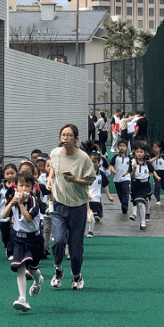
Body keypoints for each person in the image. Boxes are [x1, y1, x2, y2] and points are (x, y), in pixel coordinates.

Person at [46, 124, 96, 290]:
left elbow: (90, 180)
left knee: (75, 248)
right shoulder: (54, 153)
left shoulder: (83, 158)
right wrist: (50, 178)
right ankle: (58, 269)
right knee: (59, 240)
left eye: (69, 135)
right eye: (63, 135)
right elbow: (53, 167)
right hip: (59, 204)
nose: (65, 138)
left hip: (78, 206)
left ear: (76, 139)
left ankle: (77, 276)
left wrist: (75, 180)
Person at [1, 172, 44, 312]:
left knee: (32, 268)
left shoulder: (33, 201)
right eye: (21, 185)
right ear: (16, 187)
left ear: (32, 188)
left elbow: (29, 218)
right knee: (20, 266)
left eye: (27, 186)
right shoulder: (14, 199)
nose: (24, 188)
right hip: (19, 238)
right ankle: (22, 299)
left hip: (35, 239)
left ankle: (38, 280)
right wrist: (12, 203)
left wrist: (20, 204)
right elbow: (3, 215)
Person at [85, 151, 110, 238]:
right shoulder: (85, 173)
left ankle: (90, 231)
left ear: (98, 162)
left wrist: (109, 196)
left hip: (96, 198)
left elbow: (105, 185)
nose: (92, 164)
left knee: (91, 213)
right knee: (85, 215)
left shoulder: (101, 174)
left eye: (94, 162)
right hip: (85, 197)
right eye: (90, 162)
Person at [129, 145, 153, 230]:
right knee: (136, 202)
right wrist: (134, 169)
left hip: (144, 185)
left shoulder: (147, 163)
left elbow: (152, 171)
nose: (139, 154)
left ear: (144, 153)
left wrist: (156, 177)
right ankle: (135, 214)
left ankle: (143, 222)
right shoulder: (132, 163)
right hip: (135, 184)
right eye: (137, 152)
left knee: (140, 202)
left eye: (141, 152)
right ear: (134, 153)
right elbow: (131, 175)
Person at [110, 139, 131, 216]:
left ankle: (125, 206)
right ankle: (123, 203)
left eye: (124, 146)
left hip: (126, 178)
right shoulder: (115, 157)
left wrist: (127, 173)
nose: (122, 148)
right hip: (117, 179)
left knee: (125, 192)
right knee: (120, 194)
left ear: (126, 147)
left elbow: (132, 167)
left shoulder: (130, 157)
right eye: (120, 146)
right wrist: (112, 170)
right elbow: (111, 165)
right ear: (118, 147)